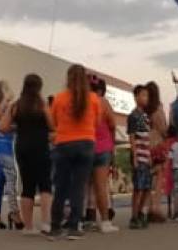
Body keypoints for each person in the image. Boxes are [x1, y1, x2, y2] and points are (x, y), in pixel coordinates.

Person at [0, 73, 56, 236]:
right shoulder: (42, 105)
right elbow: (52, 125)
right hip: (40, 146)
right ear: (39, 88)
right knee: (45, 185)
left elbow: (2, 127)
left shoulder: (16, 105)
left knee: (28, 186)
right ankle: (46, 223)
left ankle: (29, 226)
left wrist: (18, 127)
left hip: (22, 147)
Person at [50, 64, 101, 240]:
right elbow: (97, 122)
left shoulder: (59, 98)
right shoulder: (93, 99)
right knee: (79, 187)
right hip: (86, 144)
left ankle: (55, 227)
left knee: (61, 187)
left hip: (64, 143)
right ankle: (74, 226)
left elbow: (54, 122)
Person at [87, 76, 120, 233]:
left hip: (86, 147)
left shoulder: (82, 103)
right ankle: (105, 221)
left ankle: (87, 219)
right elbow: (112, 125)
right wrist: (112, 146)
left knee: (86, 186)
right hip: (103, 148)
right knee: (101, 186)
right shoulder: (103, 103)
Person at [0, 80, 21, 230]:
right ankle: (14, 212)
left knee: (1, 180)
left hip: (6, 144)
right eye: (7, 89)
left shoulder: (10, 105)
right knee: (11, 177)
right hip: (1, 144)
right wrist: (6, 104)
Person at [128, 85, 154, 229]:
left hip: (146, 156)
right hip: (138, 156)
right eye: (143, 95)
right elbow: (132, 137)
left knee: (146, 187)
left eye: (147, 96)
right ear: (136, 97)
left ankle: (141, 213)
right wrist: (135, 156)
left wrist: (149, 154)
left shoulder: (146, 117)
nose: (146, 98)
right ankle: (134, 216)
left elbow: (148, 137)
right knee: (138, 188)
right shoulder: (133, 116)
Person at [146, 81, 170, 223]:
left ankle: (148, 208)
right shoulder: (158, 109)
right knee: (160, 178)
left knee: (147, 180)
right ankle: (156, 207)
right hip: (157, 144)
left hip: (145, 145)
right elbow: (163, 128)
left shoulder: (144, 111)